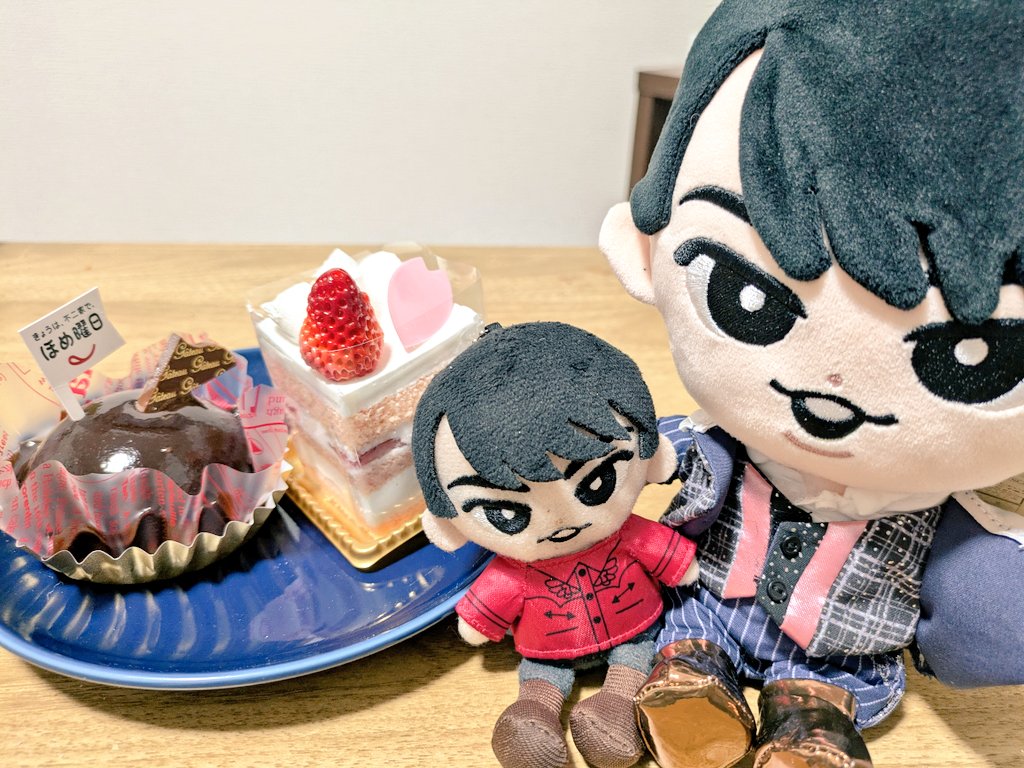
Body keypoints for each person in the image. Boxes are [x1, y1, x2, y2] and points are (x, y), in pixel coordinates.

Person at [598, 1, 1024, 767]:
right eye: (744, 297)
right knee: (689, 649)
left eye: (970, 358)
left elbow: (990, 606)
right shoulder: (723, 445)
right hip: (708, 611)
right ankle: (696, 688)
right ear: (644, 249)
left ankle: (812, 724)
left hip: (843, 649)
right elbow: (634, 456)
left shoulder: (930, 504)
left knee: (822, 695)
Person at [412, 322, 698, 768]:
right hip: (547, 650)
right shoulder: (513, 572)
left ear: (651, 454)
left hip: (633, 632)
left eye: (597, 482)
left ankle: (616, 708)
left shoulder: (629, 536)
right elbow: (484, 610)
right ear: (448, 523)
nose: (561, 520)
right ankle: (533, 718)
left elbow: (675, 561)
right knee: (541, 677)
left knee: (635, 657)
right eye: (506, 513)